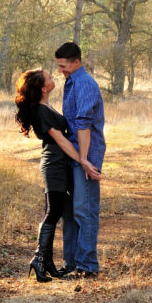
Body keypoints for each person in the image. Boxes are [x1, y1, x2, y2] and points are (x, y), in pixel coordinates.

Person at [15, 69, 101, 283]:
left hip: (60, 164)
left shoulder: (46, 106)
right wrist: (83, 160)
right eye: (49, 78)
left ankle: (49, 263)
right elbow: (61, 142)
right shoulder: (41, 112)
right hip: (54, 164)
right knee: (53, 212)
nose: (54, 78)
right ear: (43, 88)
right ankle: (38, 259)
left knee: (58, 211)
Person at [55, 42, 106, 279]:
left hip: (85, 156)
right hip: (75, 155)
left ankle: (87, 266)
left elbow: (84, 124)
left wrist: (84, 160)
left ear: (77, 62)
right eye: (58, 66)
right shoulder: (72, 81)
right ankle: (73, 263)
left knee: (84, 211)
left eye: (63, 66)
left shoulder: (84, 84)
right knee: (72, 212)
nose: (60, 71)